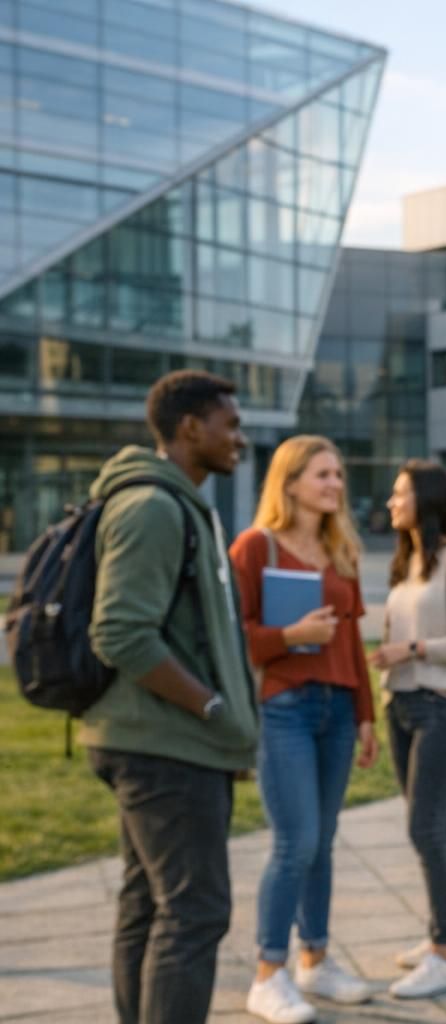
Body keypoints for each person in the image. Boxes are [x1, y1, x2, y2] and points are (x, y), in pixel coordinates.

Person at [85, 370, 259, 1024]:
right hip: (165, 746)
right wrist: (209, 707)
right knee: (195, 912)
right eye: (231, 425)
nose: (239, 438)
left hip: (158, 741)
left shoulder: (179, 503)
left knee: (149, 906)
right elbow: (120, 631)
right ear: (191, 428)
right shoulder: (152, 507)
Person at [230, 436, 377, 1022]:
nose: (335, 484)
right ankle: (268, 973)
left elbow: (354, 646)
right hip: (284, 707)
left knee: (324, 840)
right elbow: (232, 635)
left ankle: (315, 960)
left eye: (339, 474)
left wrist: (367, 714)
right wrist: (290, 638)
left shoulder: (341, 550)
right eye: (323, 474)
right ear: (289, 482)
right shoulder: (254, 547)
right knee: (296, 843)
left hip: (338, 710)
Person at [370, 460, 446, 998]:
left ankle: (445, 952)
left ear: (427, 498)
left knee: (424, 825)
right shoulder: (408, 562)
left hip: (443, 703)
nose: (391, 502)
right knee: (434, 820)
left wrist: (413, 649)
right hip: (401, 701)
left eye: (400, 493)